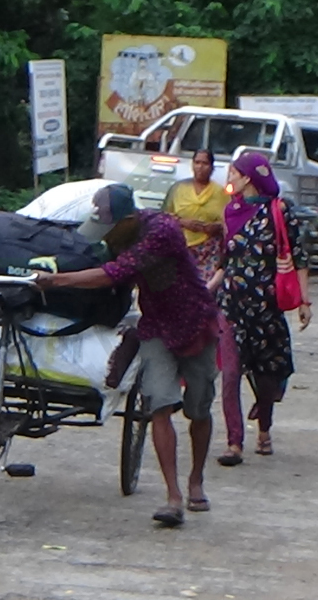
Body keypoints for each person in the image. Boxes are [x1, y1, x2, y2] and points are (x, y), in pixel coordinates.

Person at [35, 183, 218, 527]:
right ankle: (173, 497)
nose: (105, 234)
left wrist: (58, 280)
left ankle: (196, 479)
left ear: (129, 219)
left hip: (195, 323)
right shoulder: (118, 237)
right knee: (159, 404)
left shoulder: (162, 231)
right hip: (156, 327)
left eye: (109, 227)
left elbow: (113, 274)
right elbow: (98, 261)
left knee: (199, 409)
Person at [214, 152, 312, 464]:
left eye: (234, 172)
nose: (230, 177)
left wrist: (304, 301)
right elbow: (225, 261)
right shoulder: (230, 211)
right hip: (231, 306)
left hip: (266, 309)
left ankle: (264, 428)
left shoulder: (279, 211)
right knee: (230, 374)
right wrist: (205, 291)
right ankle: (234, 443)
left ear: (248, 178)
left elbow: (298, 256)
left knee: (267, 375)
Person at [163, 149, 227, 284]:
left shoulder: (220, 193)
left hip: (208, 251)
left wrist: (215, 227)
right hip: (180, 247)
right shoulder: (179, 188)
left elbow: (229, 222)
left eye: (205, 163)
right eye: (197, 162)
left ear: (212, 167)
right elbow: (163, 217)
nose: (200, 167)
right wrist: (182, 222)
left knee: (202, 287)